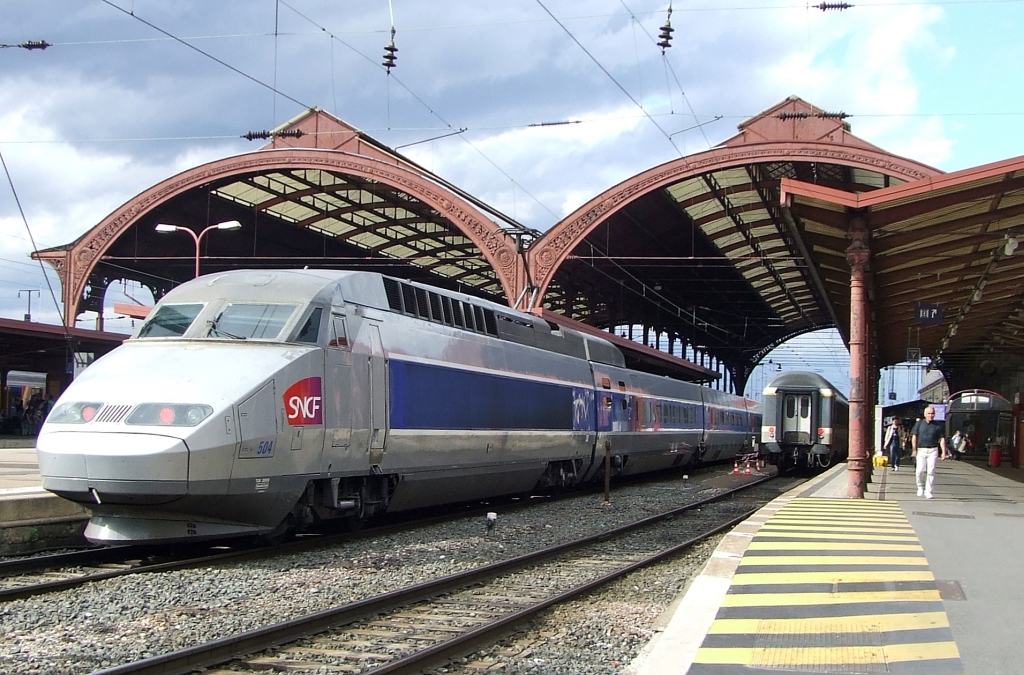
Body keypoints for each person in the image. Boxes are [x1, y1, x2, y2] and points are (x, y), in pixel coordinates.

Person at [911, 406, 947, 499]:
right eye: (929, 413)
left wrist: (943, 452)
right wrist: (914, 450)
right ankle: (920, 487)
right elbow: (914, 436)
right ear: (925, 414)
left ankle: (929, 491)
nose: (931, 415)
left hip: (933, 450)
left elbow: (942, 439)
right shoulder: (919, 424)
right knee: (920, 471)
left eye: (932, 414)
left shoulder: (938, 425)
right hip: (921, 450)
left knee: (931, 471)